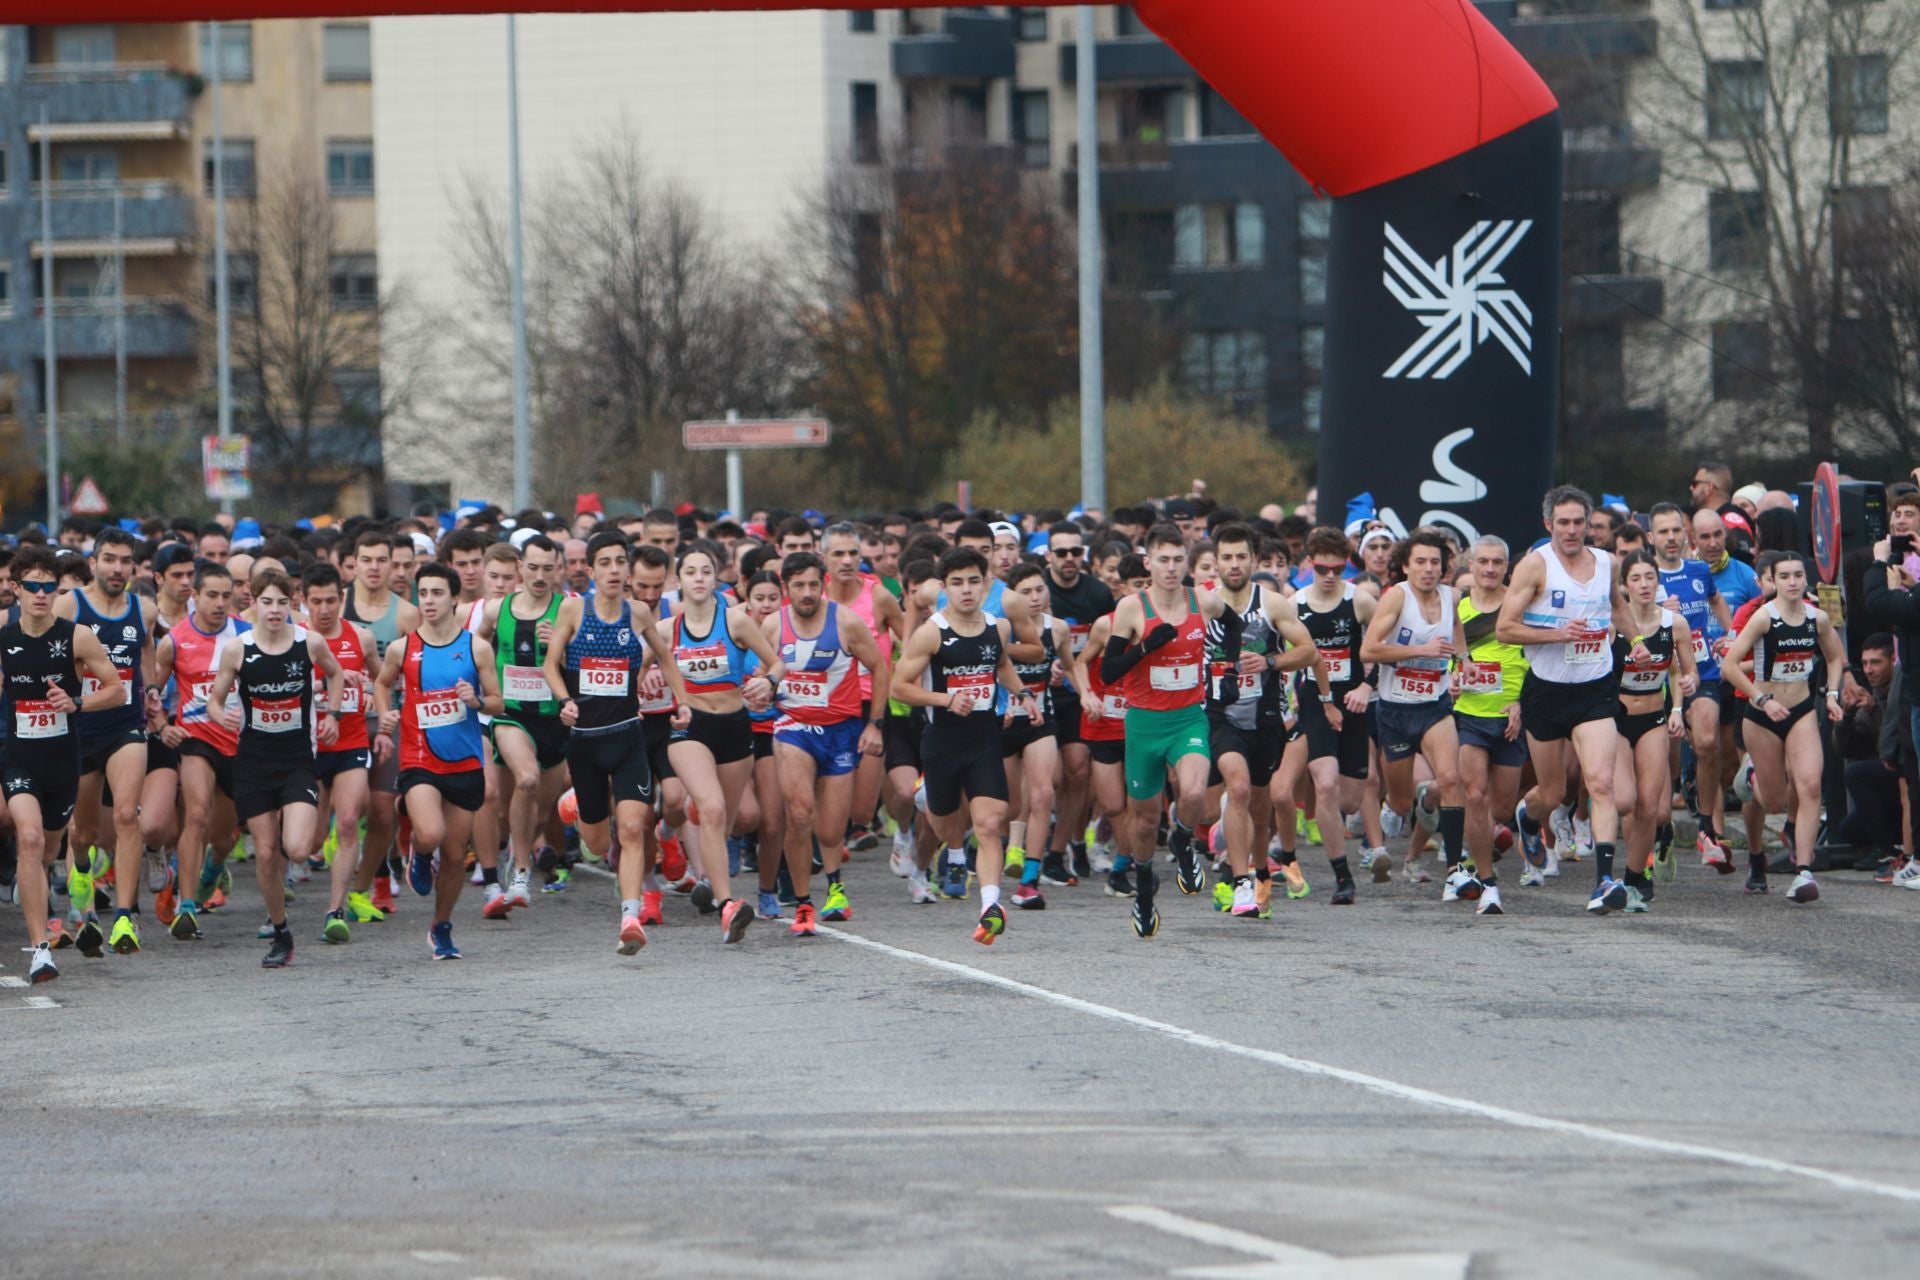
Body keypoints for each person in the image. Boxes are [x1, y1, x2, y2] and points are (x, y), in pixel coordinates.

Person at [890, 545, 1044, 945]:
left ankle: (990, 906)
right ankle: (940, 823)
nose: (966, 591)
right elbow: (899, 687)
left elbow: (1002, 666)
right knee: (943, 820)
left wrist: (1023, 693)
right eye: (957, 583)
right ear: (944, 587)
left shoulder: (998, 627)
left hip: (983, 739)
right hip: (941, 741)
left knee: (991, 823)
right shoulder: (931, 633)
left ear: (985, 582)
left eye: (974, 581)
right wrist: (944, 700)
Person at [545, 531, 687, 954]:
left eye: (619, 562)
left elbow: (664, 657)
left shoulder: (639, 614)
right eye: (604, 562)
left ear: (627, 568)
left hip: (628, 738)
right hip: (585, 743)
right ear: (590, 570)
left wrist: (683, 700)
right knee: (597, 844)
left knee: (631, 828)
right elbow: (551, 665)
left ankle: (630, 915)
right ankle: (572, 805)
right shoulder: (574, 609)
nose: (613, 570)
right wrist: (564, 700)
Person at [1102, 524, 1243, 937]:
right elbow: (1109, 673)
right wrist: (1146, 648)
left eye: (1178, 560)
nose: (1170, 568)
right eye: (1162, 560)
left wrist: (1226, 668)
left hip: (1187, 718)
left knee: (1196, 793)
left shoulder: (1203, 600)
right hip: (1144, 724)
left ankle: (1183, 840)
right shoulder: (1132, 608)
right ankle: (1145, 890)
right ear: (1148, 563)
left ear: (1188, 562)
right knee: (1143, 823)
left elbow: (1233, 628)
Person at [1498, 487, 1630, 916]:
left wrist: (1641, 640)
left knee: (1600, 783)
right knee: (1552, 792)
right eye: (1563, 523)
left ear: (1589, 524)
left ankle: (1605, 881)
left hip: (1595, 688)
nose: (1572, 531)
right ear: (1548, 525)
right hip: (1547, 689)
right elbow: (1505, 628)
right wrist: (1558, 634)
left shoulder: (1607, 563)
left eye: (1579, 523)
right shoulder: (1535, 567)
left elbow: (1617, 607)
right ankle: (1528, 818)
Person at [208, 569, 346, 967]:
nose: (273, 610)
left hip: (297, 759)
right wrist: (222, 718)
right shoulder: (238, 648)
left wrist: (332, 714)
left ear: (293, 604)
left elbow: (335, 674)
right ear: (252, 602)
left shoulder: (309, 643)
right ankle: (281, 932)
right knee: (266, 852)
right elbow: (216, 700)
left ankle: (306, 834)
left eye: (282, 603)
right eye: (266, 602)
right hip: (253, 760)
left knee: (298, 848)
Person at [3, 546, 127, 982]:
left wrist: (76, 702)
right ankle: (41, 950)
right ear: (15, 588)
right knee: (31, 837)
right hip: (17, 756)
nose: (40, 594)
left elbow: (117, 691)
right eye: (32, 586)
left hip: (61, 758)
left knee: (51, 847)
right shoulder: (2, 630)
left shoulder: (77, 636)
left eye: (48, 587)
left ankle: (31, 878)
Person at [373, 562, 504, 960]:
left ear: (453, 598)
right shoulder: (403, 648)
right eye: (423, 593)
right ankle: (418, 848)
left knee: (453, 856)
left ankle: (441, 926)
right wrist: (385, 714)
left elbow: (498, 702)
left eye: (436, 593)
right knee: (430, 834)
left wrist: (476, 700)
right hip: (418, 758)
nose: (428, 601)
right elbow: (381, 683)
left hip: (464, 761)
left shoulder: (476, 647)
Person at [660, 541, 785, 943]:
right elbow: (635, 670)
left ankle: (709, 879)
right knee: (712, 810)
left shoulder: (735, 622)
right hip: (689, 728)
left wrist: (768, 681)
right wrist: (645, 677)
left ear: (718, 578)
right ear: (678, 581)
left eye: (706, 572)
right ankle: (728, 905)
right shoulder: (666, 631)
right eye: (691, 572)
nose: (699, 579)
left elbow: (777, 663)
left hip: (735, 726)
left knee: (726, 820)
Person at [1362, 530, 1491, 911]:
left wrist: (1462, 661)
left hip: (1434, 706)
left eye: (1435, 562)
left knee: (1452, 780)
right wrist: (1421, 650)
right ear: (1405, 566)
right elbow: (1368, 649)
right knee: (1401, 803)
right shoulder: (1396, 597)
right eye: (1420, 562)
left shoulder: (1452, 596)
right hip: (1395, 710)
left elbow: (1456, 634)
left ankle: (1454, 872)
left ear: (1444, 567)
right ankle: (1398, 805)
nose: (1428, 569)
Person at [1199, 523, 1324, 916]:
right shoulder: (1202, 605)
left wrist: (1270, 660)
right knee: (1235, 789)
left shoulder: (1271, 604)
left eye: (1240, 557)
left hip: (1266, 718)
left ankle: (1257, 877)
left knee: (1257, 806)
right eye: (1226, 557)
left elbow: (1309, 652)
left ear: (1253, 560)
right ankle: (1240, 885)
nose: (1234, 565)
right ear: (1215, 563)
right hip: (1219, 716)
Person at [764, 551, 890, 934]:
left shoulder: (847, 622)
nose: (807, 593)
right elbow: (758, 672)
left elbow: (880, 668)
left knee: (832, 829)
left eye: (813, 585)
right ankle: (803, 904)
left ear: (824, 585)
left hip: (840, 730)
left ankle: (836, 887)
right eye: (799, 585)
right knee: (799, 813)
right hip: (793, 726)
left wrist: (875, 725)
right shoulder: (772, 626)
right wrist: (758, 689)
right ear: (786, 588)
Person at [1720, 551, 1853, 902]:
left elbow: (1835, 657)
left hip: (1801, 710)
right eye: (1785, 576)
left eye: (1798, 575)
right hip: (1762, 717)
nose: (1793, 582)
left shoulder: (1817, 619)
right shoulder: (1764, 618)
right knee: (1776, 802)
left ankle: (1803, 872)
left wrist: (1832, 695)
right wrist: (1762, 699)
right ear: (1774, 581)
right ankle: (1751, 776)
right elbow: (1730, 666)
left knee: (1810, 785)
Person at [55, 527, 156, 954]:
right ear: (93, 564)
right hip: (79, 730)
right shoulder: (69, 605)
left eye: (124, 560)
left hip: (125, 727)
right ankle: (80, 868)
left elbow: (147, 653)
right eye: (109, 559)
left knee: (128, 817)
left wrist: (151, 690)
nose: (118, 568)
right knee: (84, 832)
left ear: (133, 566)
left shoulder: (144, 610)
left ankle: (125, 918)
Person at [152, 564, 250, 940]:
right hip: (196, 740)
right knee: (196, 814)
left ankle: (214, 868)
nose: (220, 603)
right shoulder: (174, 641)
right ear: (195, 596)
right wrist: (163, 727)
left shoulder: (247, 635)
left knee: (225, 837)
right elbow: (152, 697)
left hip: (240, 744)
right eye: (212, 595)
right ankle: (187, 906)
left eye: (227, 595)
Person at [1288, 526, 1381, 903]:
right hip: (1314, 699)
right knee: (1324, 783)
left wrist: (1366, 687)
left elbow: (1382, 646)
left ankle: (1348, 831)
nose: (1330, 577)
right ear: (1309, 564)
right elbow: (1285, 655)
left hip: (1355, 700)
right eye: (1322, 569)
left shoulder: (1359, 601)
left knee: (1349, 800)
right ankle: (1342, 876)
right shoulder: (1294, 603)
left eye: (1337, 570)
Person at [480, 533, 570, 918]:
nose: (539, 576)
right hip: (510, 715)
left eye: (547, 569)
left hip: (553, 719)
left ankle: (516, 852)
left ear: (557, 570)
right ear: (519, 567)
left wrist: (563, 648)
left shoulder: (569, 611)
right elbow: (473, 650)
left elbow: (583, 673)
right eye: (532, 567)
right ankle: (520, 872)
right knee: (527, 780)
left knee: (541, 813)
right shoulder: (495, 611)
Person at [1647, 503, 1735, 869]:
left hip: (1700, 673)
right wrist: (1656, 609)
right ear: (1651, 537)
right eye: (1663, 532)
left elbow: (1716, 601)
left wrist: (1731, 636)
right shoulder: (1644, 576)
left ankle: (1705, 828)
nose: (1671, 538)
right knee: (1662, 774)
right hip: (1657, 681)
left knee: (1708, 741)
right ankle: (1659, 833)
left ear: (1686, 534)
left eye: (1676, 531)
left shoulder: (1699, 570)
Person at [1612, 551, 1697, 912]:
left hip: (1654, 719)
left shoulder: (1674, 624)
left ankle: (1636, 872)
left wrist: (1678, 706)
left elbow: (1683, 672)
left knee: (1655, 809)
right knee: (1627, 802)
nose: (1645, 585)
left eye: (1651, 577)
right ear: (1624, 585)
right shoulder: (1614, 624)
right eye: (1637, 579)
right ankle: (1636, 869)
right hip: (1615, 720)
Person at [300, 563, 381, 939]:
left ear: (341, 598)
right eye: (316, 602)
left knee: (349, 821)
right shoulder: (294, 638)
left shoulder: (361, 639)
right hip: (309, 747)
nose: (324, 609)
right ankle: (277, 906)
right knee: (306, 844)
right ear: (304, 601)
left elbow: (382, 680)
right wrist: (325, 684)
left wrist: (379, 708)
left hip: (350, 742)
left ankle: (336, 911)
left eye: (331, 600)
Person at [345, 531, 421, 916]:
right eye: (367, 559)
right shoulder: (337, 607)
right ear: (353, 563)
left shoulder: (406, 614)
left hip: (390, 723)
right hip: (343, 723)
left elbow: (420, 670)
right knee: (350, 807)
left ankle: (366, 887)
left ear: (393, 565)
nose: (374, 567)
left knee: (384, 810)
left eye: (381, 560)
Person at [1452, 536, 1532, 888]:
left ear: (1506, 568)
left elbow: (1542, 665)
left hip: (1510, 717)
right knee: (1474, 795)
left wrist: (1521, 704)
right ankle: (1481, 873)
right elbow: (1440, 659)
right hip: (1467, 714)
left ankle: (1484, 844)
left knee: (1500, 808)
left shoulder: (1520, 610)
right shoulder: (1457, 610)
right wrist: (1450, 681)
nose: (1489, 568)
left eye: (1497, 562)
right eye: (1482, 561)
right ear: (1471, 565)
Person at [1042, 520, 1116, 884]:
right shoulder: (1036, 591)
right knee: (1048, 778)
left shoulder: (1098, 594)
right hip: (1039, 694)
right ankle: (1036, 841)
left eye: (1076, 551)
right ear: (1048, 556)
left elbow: (1103, 648)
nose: (1070, 558)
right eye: (1062, 552)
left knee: (1078, 770)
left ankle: (1059, 850)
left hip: (1080, 694)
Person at [1001, 562, 1075, 908]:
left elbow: (1073, 666)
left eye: (1039, 590)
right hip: (1001, 722)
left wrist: (1084, 690)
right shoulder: (1000, 628)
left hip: (1038, 720)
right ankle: (972, 849)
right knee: (1009, 806)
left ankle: (1029, 881)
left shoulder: (1057, 629)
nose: (1034, 598)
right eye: (1025, 592)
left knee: (1044, 792)